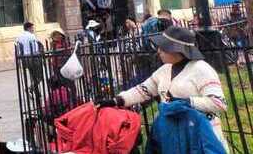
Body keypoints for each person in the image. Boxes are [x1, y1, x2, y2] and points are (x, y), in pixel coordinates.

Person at [96, 26, 229, 152]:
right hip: (173, 137)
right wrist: (115, 101)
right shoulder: (164, 70)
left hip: (200, 136)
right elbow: (142, 91)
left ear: (177, 50)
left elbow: (219, 103)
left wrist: (188, 102)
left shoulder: (201, 69)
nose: (158, 51)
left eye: (163, 48)